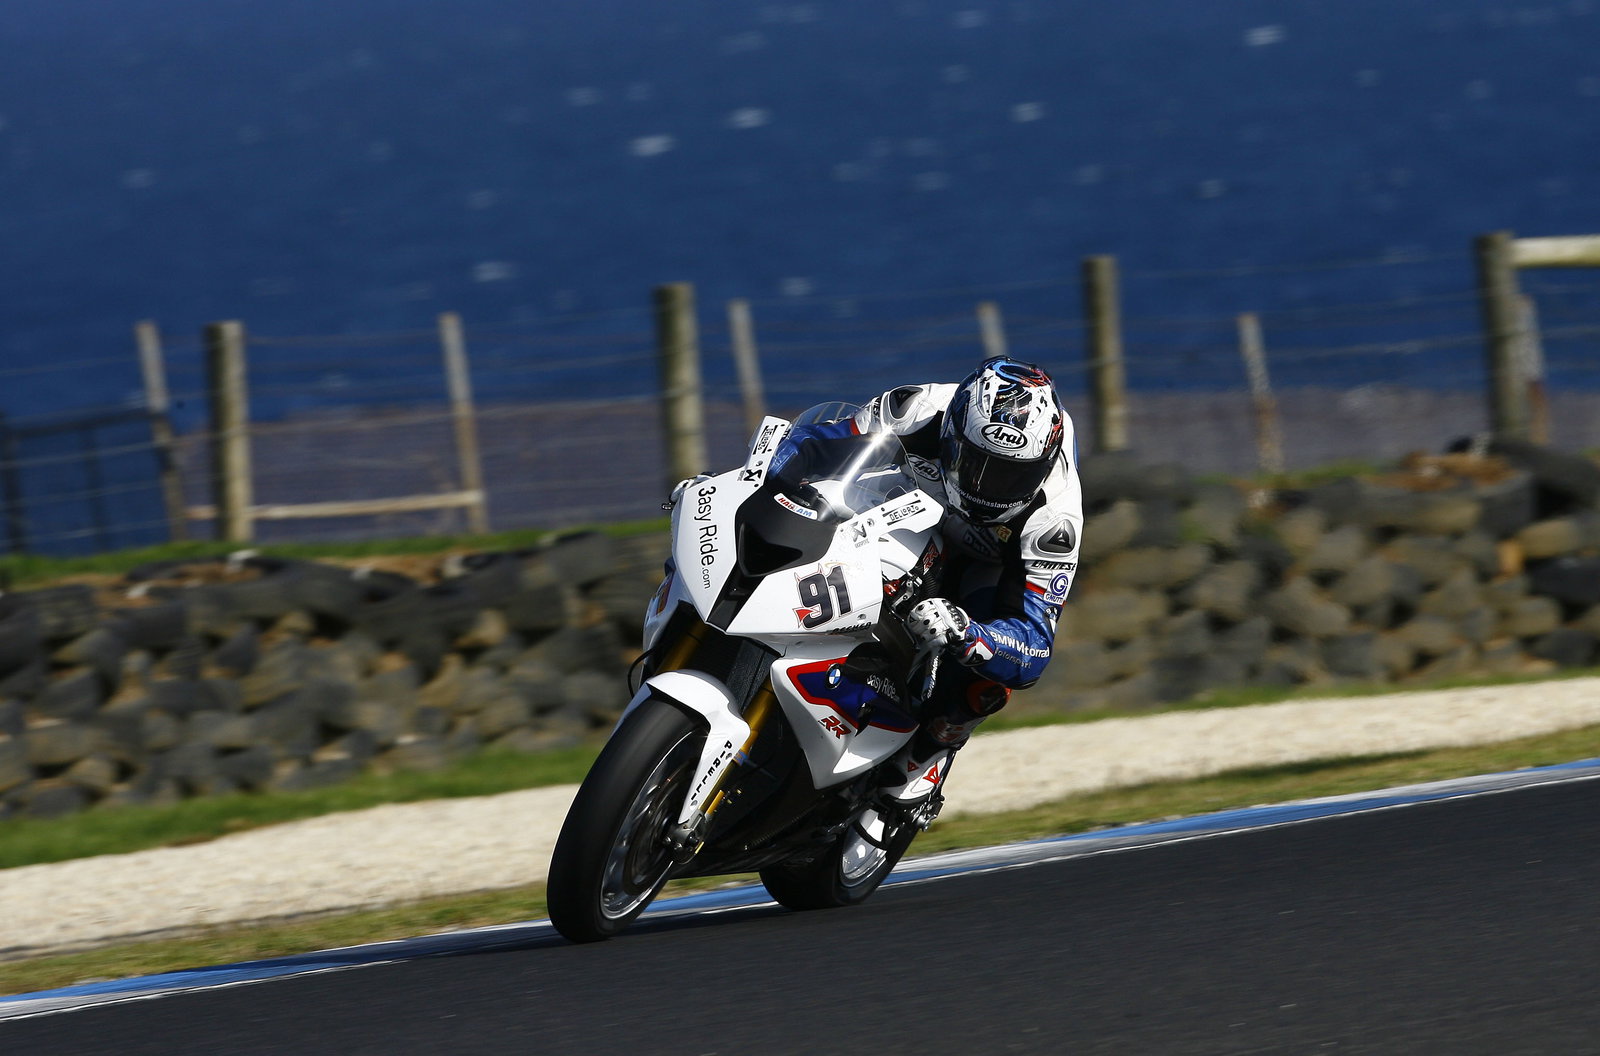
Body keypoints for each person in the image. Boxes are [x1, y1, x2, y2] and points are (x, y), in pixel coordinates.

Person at [779, 356, 1084, 817]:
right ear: (953, 435)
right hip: (907, 505)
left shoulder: (1055, 518)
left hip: (992, 562)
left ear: (1038, 469)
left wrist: (969, 633)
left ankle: (929, 753)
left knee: (983, 680)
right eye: (977, 463)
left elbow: (1035, 646)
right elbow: (814, 443)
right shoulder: (914, 410)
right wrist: (752, 482)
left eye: (1009, 475)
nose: (987, 487)